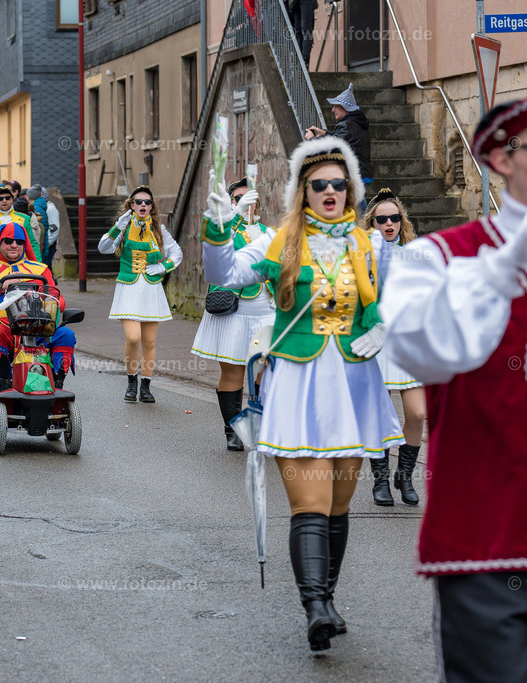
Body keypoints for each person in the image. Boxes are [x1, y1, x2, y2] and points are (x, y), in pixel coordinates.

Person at [381, 91, 527, 680]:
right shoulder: (436, 259)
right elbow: (418, 347)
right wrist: (502, 268)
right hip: (482, 551)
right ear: (502, 159)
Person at [202, 136, 403, 651]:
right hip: (300, 384)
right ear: (303, 191)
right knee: (309, 503)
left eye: (340, 183)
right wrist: (218, 228)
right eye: (320, 184)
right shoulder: (279, 242)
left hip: (356, 384)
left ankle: (328, 598)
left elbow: (390, 302)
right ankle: (314, 607)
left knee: (338, 505)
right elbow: (224, 276)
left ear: (351, 189)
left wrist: (382, 326)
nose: (331, 190)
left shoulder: (368, 244)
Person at [192, 176, 277, 450]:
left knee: (270, 371)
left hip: (267, 311)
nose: (244, 202)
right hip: (234, 311)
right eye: (238, 198)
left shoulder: (268, 231)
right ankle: (232, 429)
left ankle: (260, 424)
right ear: (231, 203)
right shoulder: (225, 228)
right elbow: (219, 254)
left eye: (248, 198)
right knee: (233, 374)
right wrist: (235, 218)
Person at [361, 188, 425, 506]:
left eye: (394, 218)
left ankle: (405, 475)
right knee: (378, 413)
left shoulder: (415, 253)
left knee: (417, 412)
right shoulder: (363, 255)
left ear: (402, 220)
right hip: (375, 339)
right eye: (382, 219)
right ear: (372, 222)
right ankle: (381, 480)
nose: (389, 224)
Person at [98, 185, 183, 403]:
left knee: (150, 341)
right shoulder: (124, 228)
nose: (143, 205)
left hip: (151, 290)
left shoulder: (158, 230)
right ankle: (131, 381)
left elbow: (177, 253)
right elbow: (103, 248)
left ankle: (145, 387)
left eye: (147, 202)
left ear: (152, 206)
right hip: (128, 288)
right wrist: (118, 227)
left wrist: (164, 267)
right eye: (138, 201)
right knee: (133, 337)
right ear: (131, 205)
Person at [0, 222, 76, 393]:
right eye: (8, 241)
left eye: (19, 242)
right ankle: (1, 386)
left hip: (38, 327)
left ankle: (57, 384)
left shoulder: (40, 270)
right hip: (2, 326)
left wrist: (47, 299)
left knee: (66, 334)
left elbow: (58, 301)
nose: (14, 245)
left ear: (24, 244)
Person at [305, 84, 374, 208]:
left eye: (335, 106)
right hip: (363, 172)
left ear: (344, 107)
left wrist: (312, 139)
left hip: (355, 174)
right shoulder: (355, 122)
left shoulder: (347, 124)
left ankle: (363, 226)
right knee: (355, 206)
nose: (332, 110)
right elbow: (342, 140)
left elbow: (333, 148)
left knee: (357, 210)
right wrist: (325, 133)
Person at [288, 0, 318, 68]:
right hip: (294, 2)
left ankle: (305, 60)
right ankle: (298, 60)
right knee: (298, 31)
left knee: (306, 29)